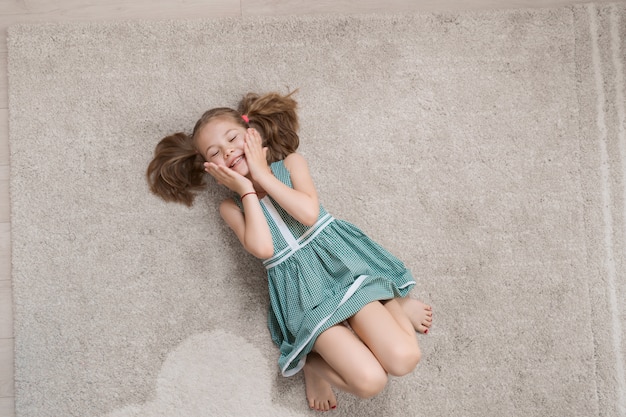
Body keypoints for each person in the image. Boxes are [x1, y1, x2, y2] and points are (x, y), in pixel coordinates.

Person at [146, 91, 433, 412]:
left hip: (344, 272)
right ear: (211, 167)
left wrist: (264, 175)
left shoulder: (291, 165)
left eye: (233, 139)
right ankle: (315, 366)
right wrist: (246, 190)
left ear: (252, 133)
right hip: (304, 299)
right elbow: (263, 247)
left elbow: (308, 214)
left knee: (405, 359)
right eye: (216, 152)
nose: (228, 151)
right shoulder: (231, 207)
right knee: (370, 382)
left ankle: (390, 299)